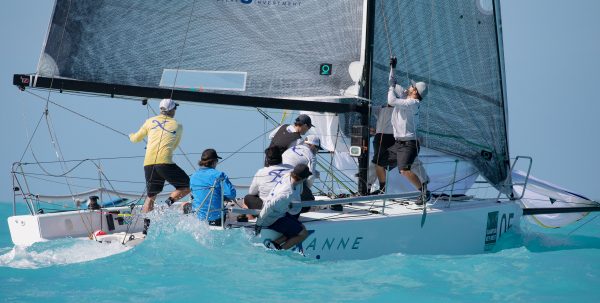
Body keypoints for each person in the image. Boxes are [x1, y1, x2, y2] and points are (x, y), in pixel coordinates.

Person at [129, 98, 190, 214]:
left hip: (148, 163)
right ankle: (166, 205)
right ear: (172, 110)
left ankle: (145, 225)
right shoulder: (178, 125)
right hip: (165, 162)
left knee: (151, 196)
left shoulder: (149, 121)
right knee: (187, 186)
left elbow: (135, 139)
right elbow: (174, 146)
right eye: (175, 108)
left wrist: (130, 135)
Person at [387, 57, 431, 205]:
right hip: (400, 143)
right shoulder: (408, 97)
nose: (410, 87)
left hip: (408, 144)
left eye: (412, 87)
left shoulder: (413, 102)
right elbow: (393, 82)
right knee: (379, 162)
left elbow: (391, 101)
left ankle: (424, 192)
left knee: (404, 170)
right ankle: (371, 188)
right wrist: (393, 67)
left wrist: (391, 88)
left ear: (415, 92)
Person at [257, 164, 311, 250]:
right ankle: (280, 251)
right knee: (303, 234)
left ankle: (275, 243)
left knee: (301, 227)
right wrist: (258, 225)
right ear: (302, 179)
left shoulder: (288, 175)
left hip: (279, 214)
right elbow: (268, 207)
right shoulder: (286, 195)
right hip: (273, 220)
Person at [243, 147, 293, 218]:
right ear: (281, 158)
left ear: (267, 160)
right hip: (288, 206)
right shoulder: (291, 168)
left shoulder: (261, 172)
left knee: (247, 197)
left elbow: (252, 192)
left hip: (268, 208)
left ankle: (251, 220)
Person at [190, 148, 236, 226]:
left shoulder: (193, 176)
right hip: (217, 219)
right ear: (214, 162)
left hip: (198, 218)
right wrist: (222, 196)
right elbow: (231, 194)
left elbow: (193, 195)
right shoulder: (219, 175)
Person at [282, 135, 321, 203]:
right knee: (309, 200)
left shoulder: (291, 149)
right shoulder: (312, 156)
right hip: (291, 181)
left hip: (278, 178)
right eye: (317, 148)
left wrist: (314, 172)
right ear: (312, 146)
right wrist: (307, 190)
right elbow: (310, 177)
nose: (317, 151)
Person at [370, 104, 395, 194]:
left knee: (378, 163)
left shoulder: (401, 108)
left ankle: (380, 188)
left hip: (390, 137)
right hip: (382, 136)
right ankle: (380, 188)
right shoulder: (381, 108)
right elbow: (368, 109)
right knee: (378, 163)